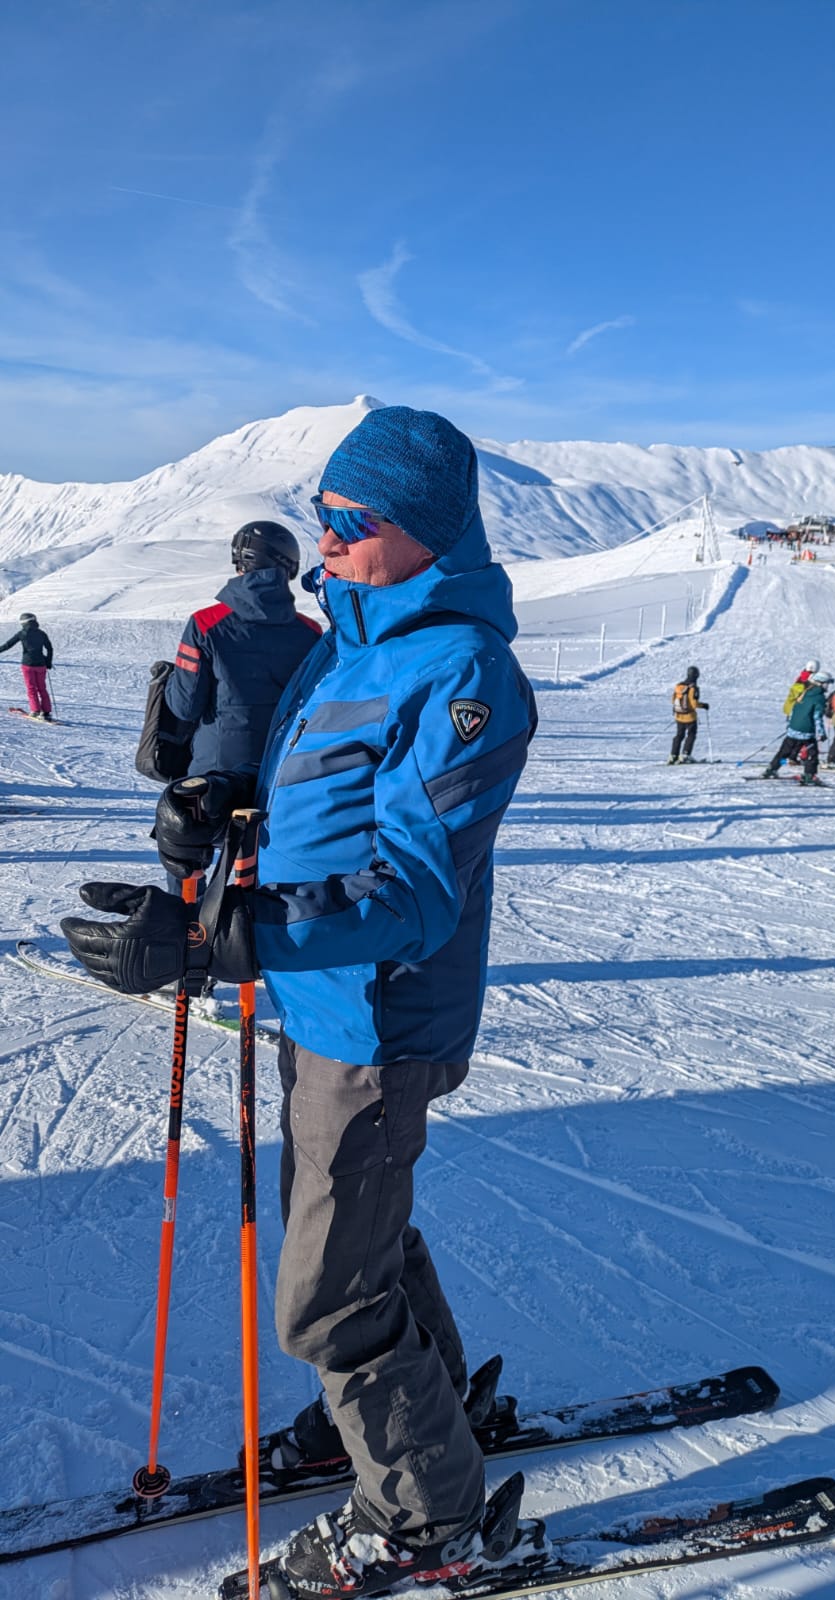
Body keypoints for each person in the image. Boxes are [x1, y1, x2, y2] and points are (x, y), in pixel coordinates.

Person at [60, 406, 539, 1597]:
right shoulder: (349, 639)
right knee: (360, 1238)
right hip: (319, 1001)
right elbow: (309, 794)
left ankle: (428, 1517)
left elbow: (413, 893)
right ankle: (420, 1409)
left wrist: (220, 939)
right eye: (320, 511)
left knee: (326, 1301)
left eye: (351, 518)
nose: (323, 537)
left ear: (427, 531)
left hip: (380, 1019)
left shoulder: (464, 671)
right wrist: (218, 807)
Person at [164, 521, 322, 774]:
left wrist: (169, 679)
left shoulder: (205, 624)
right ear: (289, 566)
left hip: (217, 772)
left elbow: (185, 706)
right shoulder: (310, 632)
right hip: (283, 769)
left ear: (240, 561)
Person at [763, 670, 831, 782]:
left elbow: (794, 710)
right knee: (812, 754)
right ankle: (809, 775)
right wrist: (821, 733)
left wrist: (791, 725)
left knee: (784, 752)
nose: (827, 686)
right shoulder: (819, 698)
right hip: (806, 731)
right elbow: (817, 717)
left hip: (793, 730)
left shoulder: (804, 692)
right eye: (827, 683)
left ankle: (771, 769)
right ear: (821, 683)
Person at [0, 612, 54, 719]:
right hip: (41, 665)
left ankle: (35, 711)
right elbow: (49, 648)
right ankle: (46, 712)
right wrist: (48, 662)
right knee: (42, 688)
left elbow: (8, 645)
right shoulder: (41, 633)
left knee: (31, 688)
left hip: (28, 665)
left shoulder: (22, 633)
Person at [668, 666, 708, 764]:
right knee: (691, 735)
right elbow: (694, 704)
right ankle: (685, 755)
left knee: (679, 735)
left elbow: (673, 700)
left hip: (679, 715)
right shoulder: (693, 688)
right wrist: (703, 705)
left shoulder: (679, 686)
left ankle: (673, 755)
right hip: (690, 717)